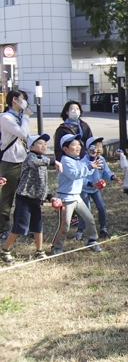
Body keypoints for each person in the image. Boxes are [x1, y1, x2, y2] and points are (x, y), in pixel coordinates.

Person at [0, 134, 56, 263]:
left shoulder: (42, 160)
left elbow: (43, 183)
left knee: (38, 226)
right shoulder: (31, 157)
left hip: (36, 200)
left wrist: (50, 196)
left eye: (45, 144)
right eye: (40, 143)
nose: (44, 146)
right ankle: (5, 250)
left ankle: (39, 250)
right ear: (31, 146)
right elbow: (33, 163)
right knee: (20, 227)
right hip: (24, 198)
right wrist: (54, 161)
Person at [51, 134, 103, 254]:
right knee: (65, 226)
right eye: (74, 145)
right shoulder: (65, 160)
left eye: (79, 144)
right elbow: (75, 174)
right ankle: (56, 247)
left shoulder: (77, 160)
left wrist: (91, 164)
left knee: (89, 219)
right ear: (65, 149)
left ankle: (92, 241)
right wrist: (90, 165)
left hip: (76, 197)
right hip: (65, 198)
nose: (78, 147)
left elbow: (83, 173)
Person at [0, 90, 32, 241]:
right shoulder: (6, 117)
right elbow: (22, 133)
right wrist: (26, 116)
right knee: (7, 197)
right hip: (10, 161)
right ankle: (3, 228)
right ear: (14, 100)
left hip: (23, 160)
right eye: (23, 99)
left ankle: (22, 226)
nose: (25, 102)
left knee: (25, 196)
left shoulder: (18, 117)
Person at [76, 137, 122, 240]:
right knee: (86, 209)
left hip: (95, 189)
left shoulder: (101, 159)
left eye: (100, 146)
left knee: (101, 207)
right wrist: (91, 184)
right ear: (88, 149)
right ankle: (80, 230)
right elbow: (81, 178)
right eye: (96, 147)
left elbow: (106, 171)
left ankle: (103, 227)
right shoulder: (83, 162)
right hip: (85, 188)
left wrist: (113, 177)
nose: (99, 149)